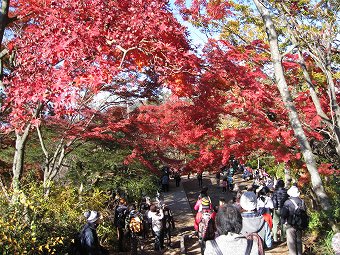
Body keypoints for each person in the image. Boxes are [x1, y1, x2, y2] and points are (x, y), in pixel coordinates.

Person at [281, 185, 305, 255]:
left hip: (290, 224)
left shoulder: (287, 202)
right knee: (299, 241)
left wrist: (283, 222)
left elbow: (284, 214)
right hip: (300, 224)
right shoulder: (302, 201)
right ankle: (299, 253)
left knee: (291, 242)